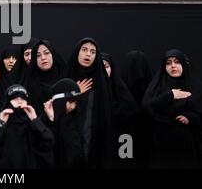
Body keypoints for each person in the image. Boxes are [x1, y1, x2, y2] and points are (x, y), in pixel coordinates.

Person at [142, 49, 202, 168]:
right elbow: (146, 107)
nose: (173, 66)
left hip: (187, 144)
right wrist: (170, 95)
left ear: (184, 64)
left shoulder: (195, 86)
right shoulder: (158, 85)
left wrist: (190, 117)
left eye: (177, 62)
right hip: (161, 142)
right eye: (168, 63)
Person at [65, 37, 114, 168]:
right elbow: (57, 112)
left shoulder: (101, 82)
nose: (88, 54)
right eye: (84, 50)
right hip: (69, 145)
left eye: (93, 52)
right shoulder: (66, 78)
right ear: (77, 52)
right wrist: (74, 92)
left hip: (94, 145)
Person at [0, 84, 55, 169]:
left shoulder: (33, 124)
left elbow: (49, 142)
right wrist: (0, 125)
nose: (19, 102)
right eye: (15, 99)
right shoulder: (1, 122)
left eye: (23, 99)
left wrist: (35, 120)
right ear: (8, 102)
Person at [101, 53, 139, 168]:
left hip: (122, 140)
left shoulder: (120, 89)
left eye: (106, 66)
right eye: (99, 67)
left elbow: (131, 111)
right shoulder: (88, 90)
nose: (103, 70)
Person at [44, 78, 84, 169]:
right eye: (70, 102)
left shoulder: (75, 121)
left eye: (75, 102)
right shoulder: (44, 122)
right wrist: (51, 121)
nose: (73, 107)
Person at [22, 40, 65, 112]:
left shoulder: (65, 76)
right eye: (38, 55)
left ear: (53, 54)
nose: (43, 58)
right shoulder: (29, 83)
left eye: (47, 53)